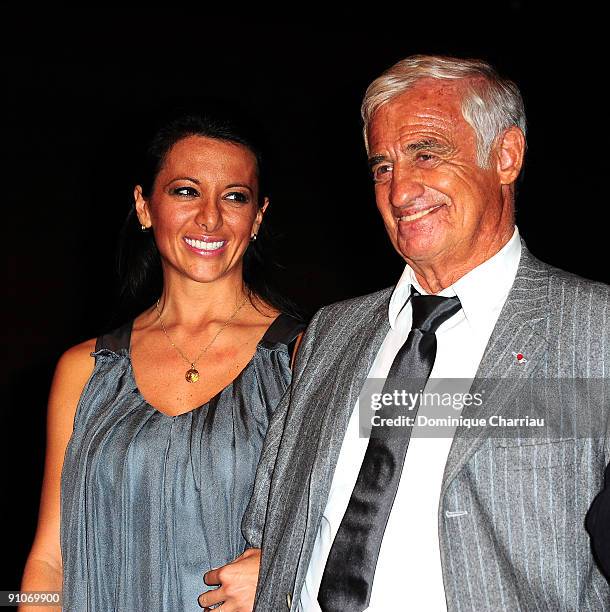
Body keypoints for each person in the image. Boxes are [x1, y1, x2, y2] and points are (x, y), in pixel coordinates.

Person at [199, 55, 610, 611]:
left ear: (506, 155)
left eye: (426, 153)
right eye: (382, 167)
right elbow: (274, 518)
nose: (400, 192)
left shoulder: (592, 329)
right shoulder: (332, 334)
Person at [19, 106, 305, 611]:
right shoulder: (84, 370)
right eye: (185, 191)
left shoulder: (305, 358)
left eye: (234, 197)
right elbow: (48, 561)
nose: (210, 217)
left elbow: (358, 529)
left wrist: (288, 569)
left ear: (258, 217)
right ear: (145, 205)